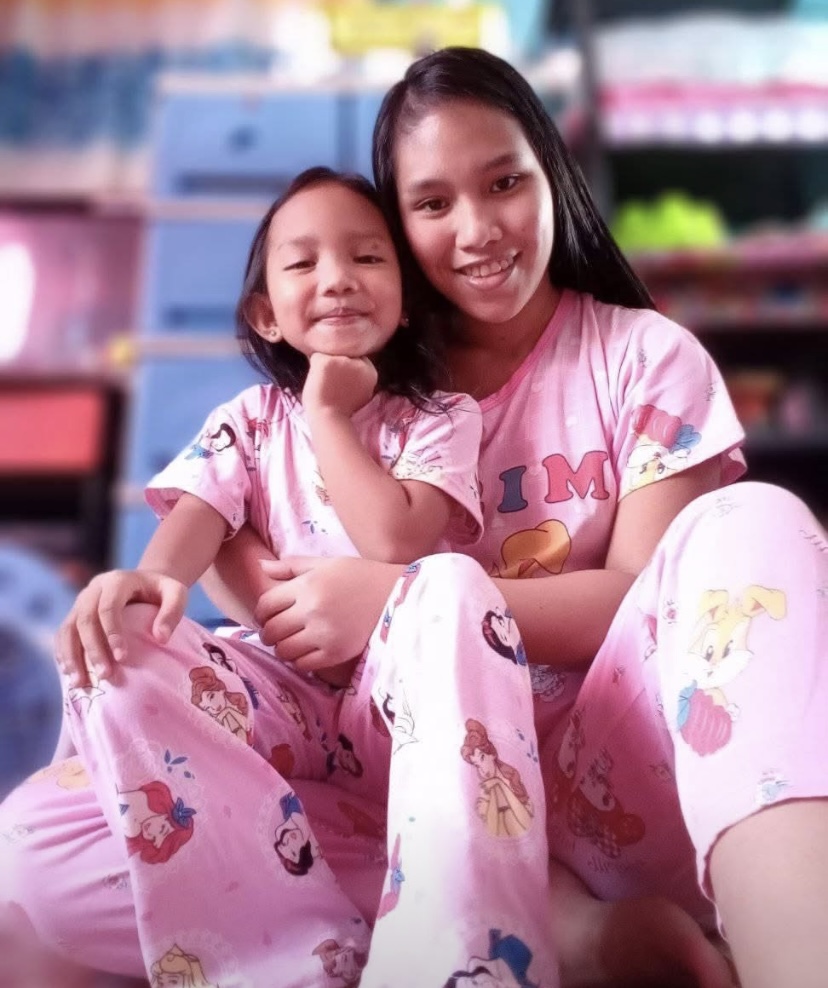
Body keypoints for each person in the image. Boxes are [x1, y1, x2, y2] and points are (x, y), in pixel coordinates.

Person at [194, 47, 825, 988]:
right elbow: (225, 502)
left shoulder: (644, 358)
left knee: (756, 521)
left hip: (620, 778)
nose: (479, 229)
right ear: (395, 226)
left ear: (552, 174)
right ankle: (581, 934)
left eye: (504, 183)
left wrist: (402, 600)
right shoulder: (356, 373)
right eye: (432, 204)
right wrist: (282, 602)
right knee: (134, 759)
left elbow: (642, 598)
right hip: (411, 796)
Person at [2, 165, 541, 988]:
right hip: (276, 701)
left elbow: (394, 537)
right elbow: (194, 520)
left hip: (404, 708)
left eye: (368, 258)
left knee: (453, 589)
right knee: (116, 658)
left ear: (405, 299)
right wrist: (146, 584)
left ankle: (457, 947)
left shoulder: (439, 417)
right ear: (266, 313)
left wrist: (328, 414)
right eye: (303, 263)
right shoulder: (248, 422)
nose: (338, 278)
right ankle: (301, 954)